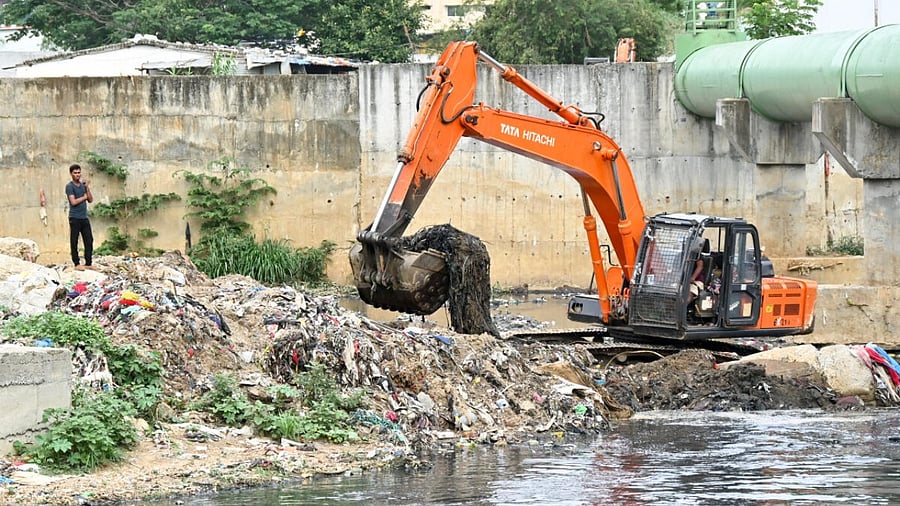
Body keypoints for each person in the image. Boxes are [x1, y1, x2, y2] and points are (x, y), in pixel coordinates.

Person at [65, 163, 94, 269]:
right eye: (75, 173)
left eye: (78, 172)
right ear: (71, 174)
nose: (77, 175)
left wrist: (87, 188)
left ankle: (88, 263)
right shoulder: (70, 186)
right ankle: (76, 263)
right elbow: (73, 202)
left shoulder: (83, 186)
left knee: (89, 240)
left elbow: (90, 199)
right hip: (74, 217)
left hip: (84, 217)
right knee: (74, 241)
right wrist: (84, 197)